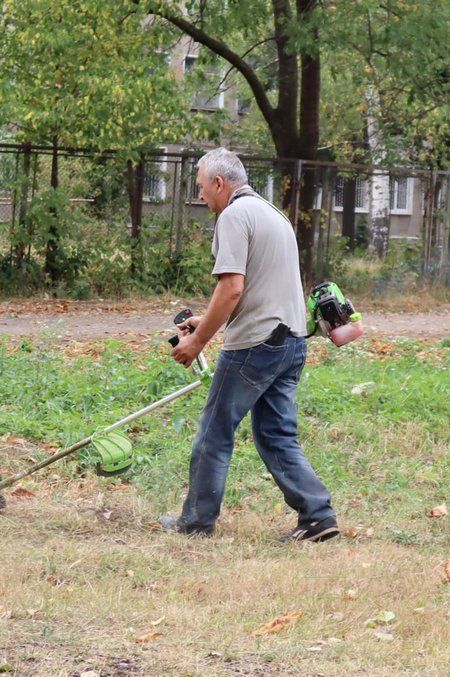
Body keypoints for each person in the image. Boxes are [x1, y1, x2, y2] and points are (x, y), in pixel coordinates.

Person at [159, 147, 339, 542]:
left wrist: (198, 341)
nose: (201, 196)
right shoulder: (272, 214)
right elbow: (256, 288)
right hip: (290, 342)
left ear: (220, 183)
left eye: (202, 187)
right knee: (276, 435)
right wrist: (202, 322)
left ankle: (195, 523)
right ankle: (318, 515)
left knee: (214, 431)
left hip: (255, 346)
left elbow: (232, 287)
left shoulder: (234, 216)